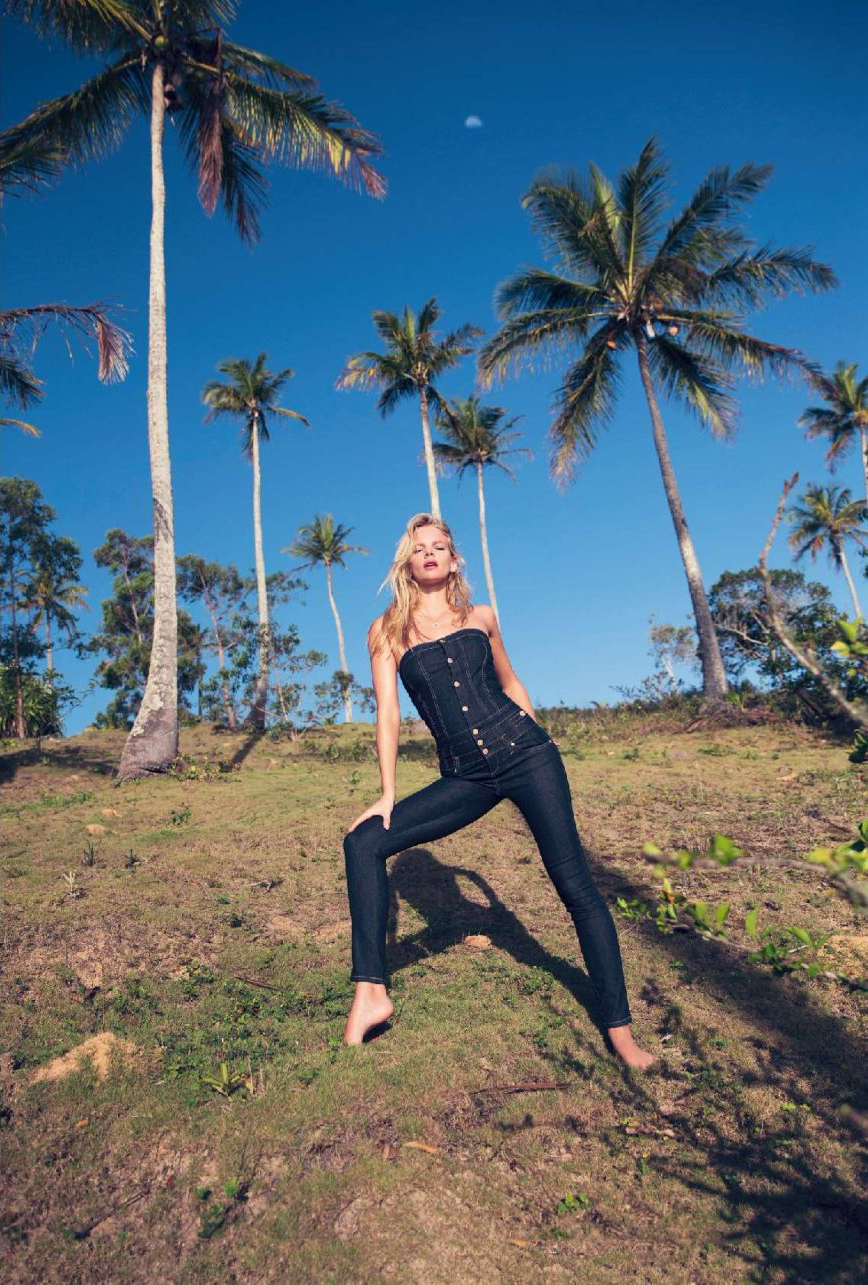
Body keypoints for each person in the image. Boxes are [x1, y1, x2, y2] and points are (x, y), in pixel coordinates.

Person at [342, 513, 655, 1069]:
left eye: (440, 546)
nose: (430, 553)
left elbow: (510, 683)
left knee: (576, 887)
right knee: (363, 842)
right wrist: (387, 793)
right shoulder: (386, 630)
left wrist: (537, 738)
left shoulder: (481, 617)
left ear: (454, 560)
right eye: (419, 548)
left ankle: (620, 1029)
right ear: (407, 564)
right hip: (465, 775)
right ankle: (370, 993)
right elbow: (387, 714)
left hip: (527, 755)